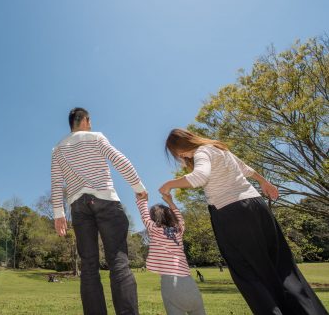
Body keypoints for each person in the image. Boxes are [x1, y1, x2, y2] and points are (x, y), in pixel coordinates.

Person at [160, 128, 328, 315]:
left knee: (248, 273)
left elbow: (200, 177)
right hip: (256, 206)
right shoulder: (219, 148)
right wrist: (265, 182)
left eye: (177, 153)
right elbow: (246, 169)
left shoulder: (202, 152)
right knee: (281, 266)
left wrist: (169, 185)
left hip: (231, 213)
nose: (180, 156)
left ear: (181, 147)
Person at [50, 107, 147, 315]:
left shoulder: (58, 149)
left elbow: (57, 183)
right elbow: (120, 160)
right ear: (85, 120)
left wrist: (59, 213)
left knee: (88, 267)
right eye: (90, 120)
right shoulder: (96, 137)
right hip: (105, 201)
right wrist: (139, 188)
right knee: (118, 261)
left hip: (78, 207)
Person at [136, 191, 206, 315]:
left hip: (170, 283)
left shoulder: (154, 230)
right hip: (190, 283)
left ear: (154, 219)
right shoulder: (179, 230)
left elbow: (145, 217)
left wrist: (143, 200)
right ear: (170, 217)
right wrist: (170, 202)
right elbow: (181, 219)